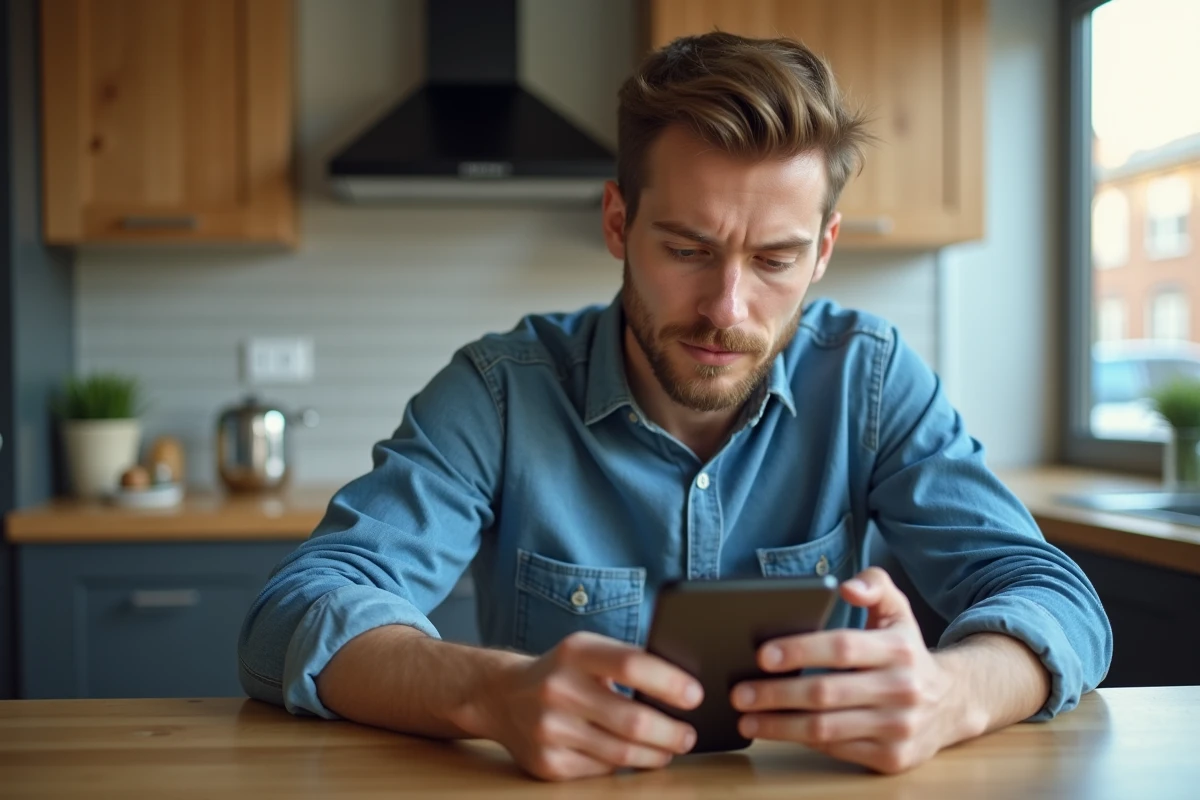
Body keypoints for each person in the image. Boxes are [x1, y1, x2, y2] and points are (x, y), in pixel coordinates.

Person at [238, 31, 1112, 781]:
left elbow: (1056, 600)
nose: (727, 309)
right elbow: (296, 611)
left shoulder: (870, 380)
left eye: (775, 260)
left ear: (823, 252)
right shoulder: (501, 390)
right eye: (688, 248)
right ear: (618, 223)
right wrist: (486, 692)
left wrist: (950, 695)